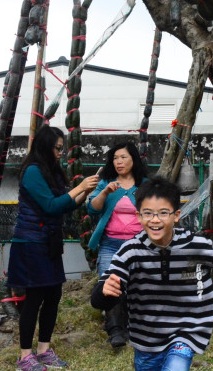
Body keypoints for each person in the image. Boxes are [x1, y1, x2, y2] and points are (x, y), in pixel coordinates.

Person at [90, 176, 213, 371]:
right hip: (146, 337)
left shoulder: (196, 246)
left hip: (187, 329)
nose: (155, 220)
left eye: (163, 213)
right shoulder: (130, 252)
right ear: (139, 216)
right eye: (148, 213)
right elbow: (102, 294)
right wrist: (104, 292)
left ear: (176, 215)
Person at [7, 125, 99, 371]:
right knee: (33, 298)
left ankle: (44, 351)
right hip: (30, 243)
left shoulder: (53, 172)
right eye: (58, 148)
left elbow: (62, 206)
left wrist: (84, 193)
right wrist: (78, 188)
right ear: (45, 146)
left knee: (53, 296)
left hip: (49, 241)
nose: (61, 152)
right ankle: (25, 356)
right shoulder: (32, 172)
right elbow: (49, 206)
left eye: (62, 148)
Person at [87, 141, 149, 349]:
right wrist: (105, 193)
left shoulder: (144, 185)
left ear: (133, 159)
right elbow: (93, 208)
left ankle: (133, 325)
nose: (119, 162)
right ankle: (115, 331)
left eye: (123, 157)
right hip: (110, 245)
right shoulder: (106, 182)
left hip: (138, 245)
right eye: (115, 158)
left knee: (137, 285)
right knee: (110, 284)